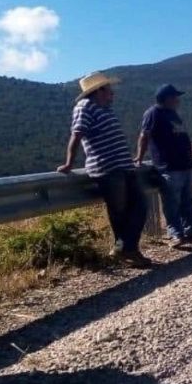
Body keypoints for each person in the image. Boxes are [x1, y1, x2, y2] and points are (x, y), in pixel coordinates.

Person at [57, 72, 151, 268]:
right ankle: (127, 251)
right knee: (120, 211)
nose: (112, 93)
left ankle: (124, 249)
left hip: (123, 166)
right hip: (107, 168)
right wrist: (69, 164)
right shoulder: (85, 107)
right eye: (109, 90)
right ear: (98, 91)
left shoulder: (105, 108)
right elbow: (76, 136)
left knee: (139, 206)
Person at [135, 84, 192, 248]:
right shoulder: (153, 113)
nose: (178, 100)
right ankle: (176, 234)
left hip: (184, 165)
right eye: (175, 97)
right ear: (167, 98)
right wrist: (139, 158)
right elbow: (144, 135)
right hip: (168, 166)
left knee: (188, 201)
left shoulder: (172, 114)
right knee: (172, 202)